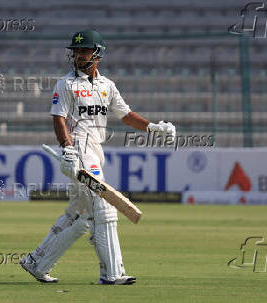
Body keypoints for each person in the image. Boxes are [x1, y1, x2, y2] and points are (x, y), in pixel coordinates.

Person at [20, 29, 176, 285]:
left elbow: (125, 115)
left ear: (98, 54)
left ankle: (36, 262)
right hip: (78, 151)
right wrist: (67, 148)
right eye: (76, 51)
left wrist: (152, 128)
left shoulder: (107, 86)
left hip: (95, 151)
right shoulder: (66, 84)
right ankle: (112, 273)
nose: (79, 56)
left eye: (84, 51)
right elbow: (58, 118)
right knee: (104, 211)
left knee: (80, 215)